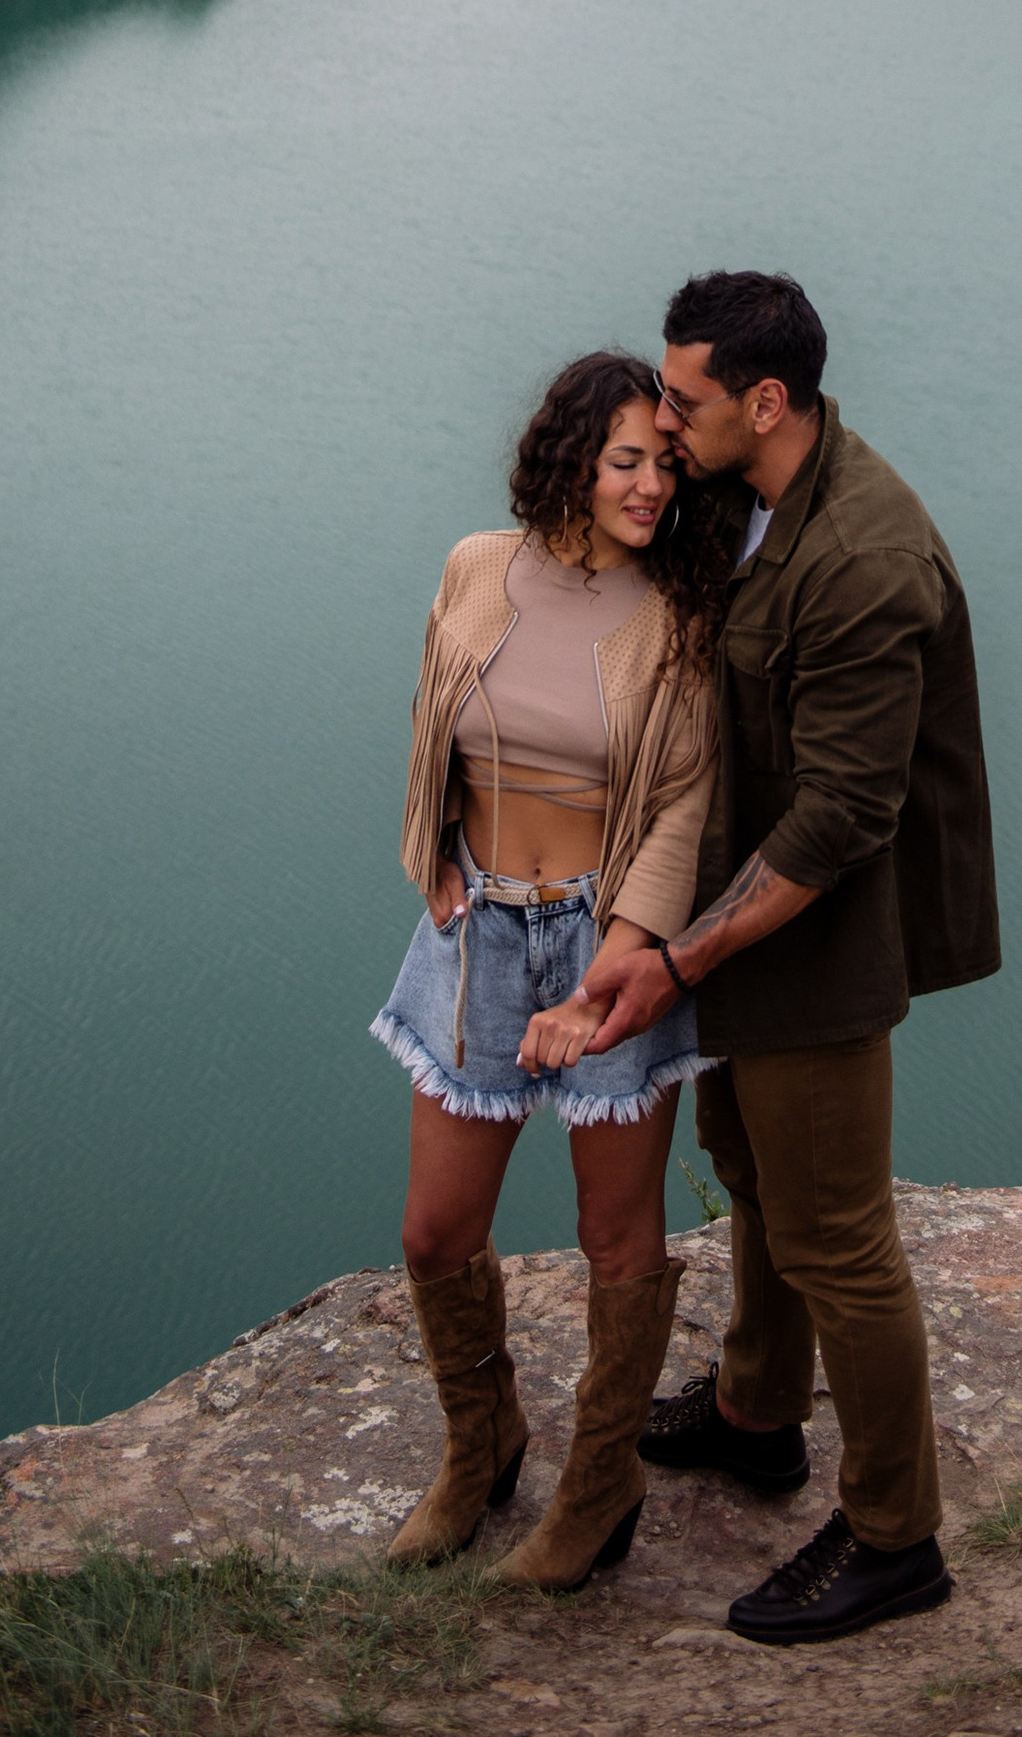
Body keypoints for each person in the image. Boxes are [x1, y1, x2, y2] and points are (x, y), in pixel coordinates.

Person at [575, 270, 999, 1650]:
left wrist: (678, 961)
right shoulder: (745, 492)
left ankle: (894, 1535)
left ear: (766, 402)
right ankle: (758, 1412)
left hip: (818, 941)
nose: (663, 417)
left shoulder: (864, 557)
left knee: (839, 1238)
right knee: (752, 1172)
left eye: (682, 398)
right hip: (740, 921)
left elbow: (839, 819)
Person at [370, 350, 729, 1589]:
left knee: (613, 1234)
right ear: (570, 456)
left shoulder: (679, 612)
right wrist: (431, 851)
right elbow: (433, 708)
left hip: (604, 935)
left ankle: (600, 1480)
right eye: (626, 459)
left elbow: (681, 805)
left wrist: (614, 970)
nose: (650, 486)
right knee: (434, 1230)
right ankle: (482, 1442)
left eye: (666, 465)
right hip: (478, 929)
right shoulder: (477, 565)